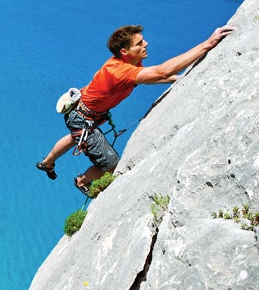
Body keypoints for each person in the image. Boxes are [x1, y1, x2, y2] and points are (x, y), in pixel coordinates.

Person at [36, 24, 234, 195]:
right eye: (139, 43)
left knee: (75, 137)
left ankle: (48, 162)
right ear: (124, 51)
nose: (146, 44)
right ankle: (82, 181)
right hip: (84, 118)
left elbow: (154, 77)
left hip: (81, 113)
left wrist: (179, 79)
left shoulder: (128, 62)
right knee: (112, 164)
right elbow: (163, 71)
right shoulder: (119, 70)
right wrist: (208, 43)